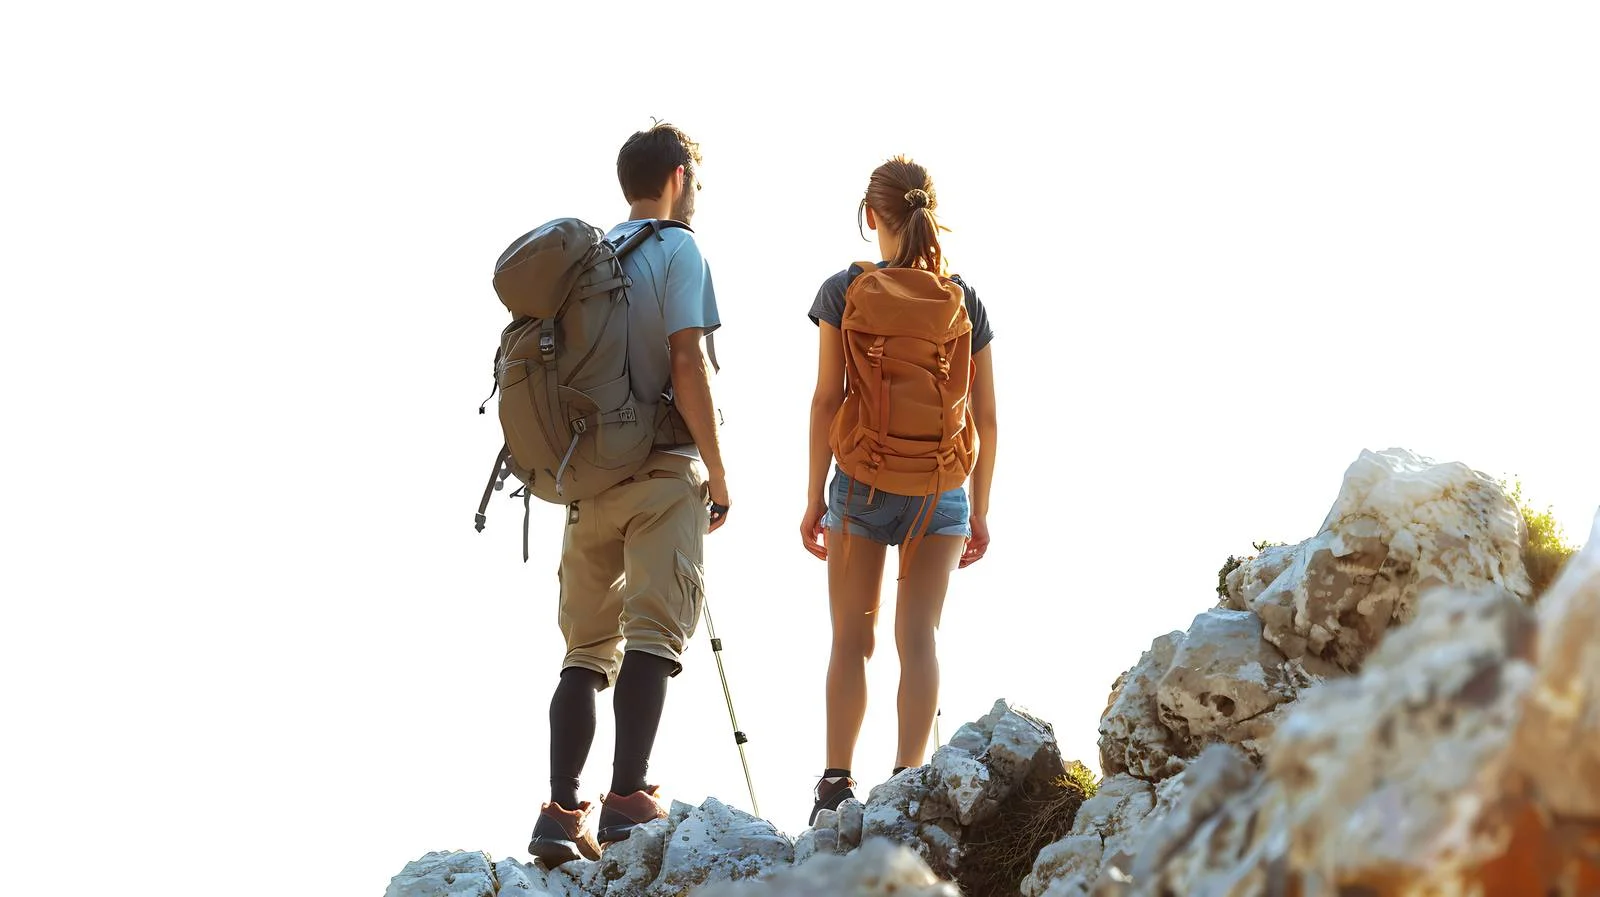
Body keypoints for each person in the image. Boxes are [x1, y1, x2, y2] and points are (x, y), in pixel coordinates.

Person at [528, 122, 730, 865]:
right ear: (679, 176)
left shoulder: (588, 258)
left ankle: (560, 809)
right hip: (660, 468)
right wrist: (719, 469)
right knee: (652, 632)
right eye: (697, 182)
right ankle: (628, 798)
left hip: (586, 479)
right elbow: (687, 361)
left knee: (584, 649)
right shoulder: (679, 249)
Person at [799, 156, 998, 824]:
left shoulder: (842, 290)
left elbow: (828, 398)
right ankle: (909, 781)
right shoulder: (963, 297)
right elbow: (987, 415)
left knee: (851, 639)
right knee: (920, 638)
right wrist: (980, 508)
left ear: (870, 216)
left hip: (859, 484)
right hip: (940, 491)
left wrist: (810, 497)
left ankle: (834, 785)